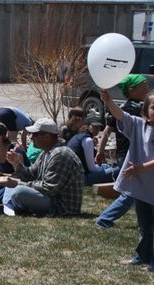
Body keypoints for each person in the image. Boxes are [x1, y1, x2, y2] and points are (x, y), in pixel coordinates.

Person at [101, 89, 154, 272]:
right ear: (146, 110)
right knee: (145, 225)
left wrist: (140, 168)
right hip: (143, 188)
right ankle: (142, 256)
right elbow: (121, 116)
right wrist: (109, 102)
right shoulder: (140, 126)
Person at [95, 74, 149, 229]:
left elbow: (106, 131)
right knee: (130, 193)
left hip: (127, 156)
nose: (147, 89)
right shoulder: (135, 109)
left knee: (139, 192)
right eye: (143, 87)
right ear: (131, 90)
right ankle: (104, 219)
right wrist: (99, 150)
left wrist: (100, 151)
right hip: (130, 156)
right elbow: (107, 130)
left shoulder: (126, 107)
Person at [3, 118, 84, 216]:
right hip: (50, 198)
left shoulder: (60, 154)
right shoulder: (46, 152)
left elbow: (49, 188)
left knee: (19, 191)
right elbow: (31, 174)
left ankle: (9, 207)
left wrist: (18, 183)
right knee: (11, 186)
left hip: (60, 206)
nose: (31, 137)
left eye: (35, 134)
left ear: (47, 136)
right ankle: (8, 207)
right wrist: (16, 163)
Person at [66, 114, 120, 186]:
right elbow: (92, 168)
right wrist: (102, 169)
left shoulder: (78, 136)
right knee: (118, 170)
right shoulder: (88, 140)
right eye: (94, 126)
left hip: (72, 175)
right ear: (87, 126)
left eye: (98, 127)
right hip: (81, 178)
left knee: (108, 166)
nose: (97, 129)